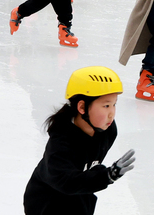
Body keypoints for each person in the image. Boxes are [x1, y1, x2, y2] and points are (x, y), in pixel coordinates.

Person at [23, 67, 136, 215]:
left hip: (79, 198)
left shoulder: (108, 131)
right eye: (106, 105)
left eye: (114, 104)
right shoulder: (60, 145)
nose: (111, 114)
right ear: (82, 107)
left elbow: (86, 167)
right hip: (47, 204)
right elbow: (67, 182)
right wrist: (106, 176)